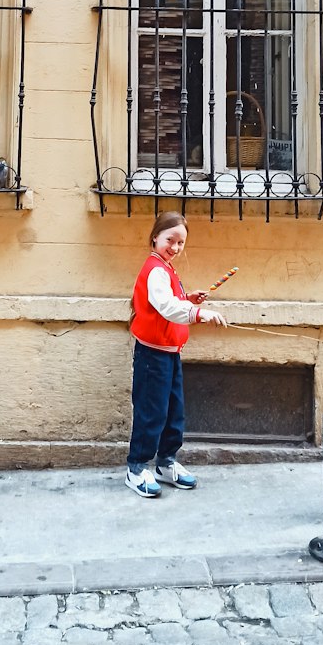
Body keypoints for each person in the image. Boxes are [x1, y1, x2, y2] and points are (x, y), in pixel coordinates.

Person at [126, 211, 227, 498]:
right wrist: (199, 313)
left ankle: (165, 463)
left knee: (173, 411)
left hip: (170, 353)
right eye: (170, 239)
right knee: (151, 412)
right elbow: (165, 307)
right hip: (152, 354)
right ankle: (136, 467)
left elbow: (170, 302)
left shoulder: (166, 268)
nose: (175, 247)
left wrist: (187, 299)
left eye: (181, 243)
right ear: (155, 237)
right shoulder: (155, 269)